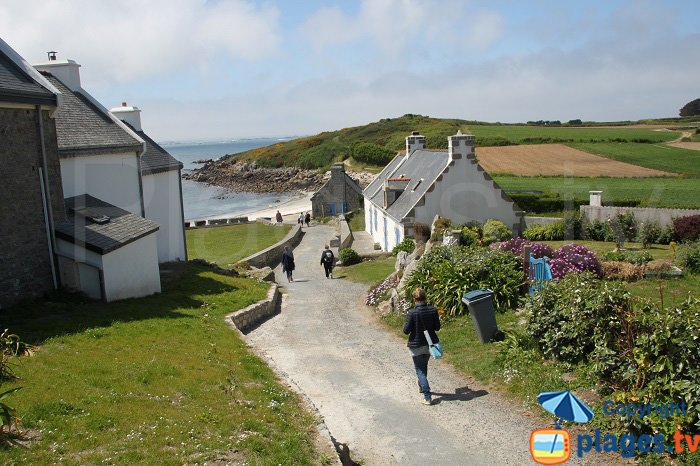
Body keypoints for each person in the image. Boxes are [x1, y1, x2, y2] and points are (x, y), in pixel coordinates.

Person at [403, 287, 440, 405]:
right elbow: (437, 327)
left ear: (414, 299)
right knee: (423, 367)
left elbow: (406, 330)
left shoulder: (412, 312)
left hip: (416, 344)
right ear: (425, 297)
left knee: (419, 370)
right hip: (430, 344)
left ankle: (427, 396)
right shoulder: (433, 310)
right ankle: (422, 386)